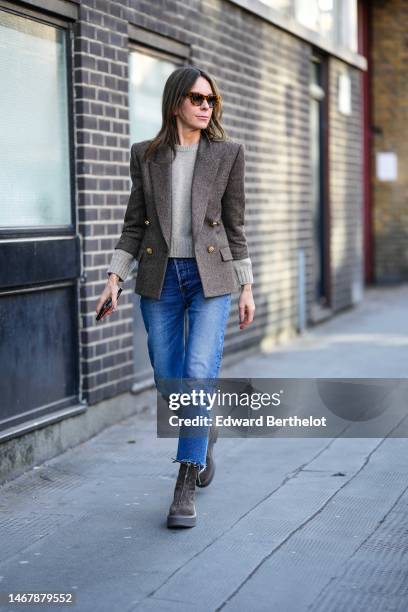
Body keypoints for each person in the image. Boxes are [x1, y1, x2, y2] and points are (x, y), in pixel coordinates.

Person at [95, 65, 255, 528]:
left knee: (199, 370)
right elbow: (133, 224)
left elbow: (235, 225)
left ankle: (186, 480)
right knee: (169, 380)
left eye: (211, 101)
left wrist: (246, 286)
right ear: (175, 103)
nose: (207, 107)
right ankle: (203, 433)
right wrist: (114, 278)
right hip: (159, 277)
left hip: (212, 277)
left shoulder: (228, 153)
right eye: (198, 99)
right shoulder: (145, 155)